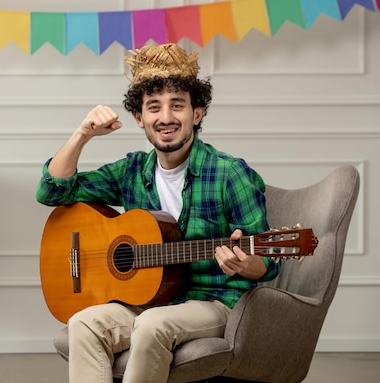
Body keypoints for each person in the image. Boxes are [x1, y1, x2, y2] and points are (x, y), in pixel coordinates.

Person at [35, 42, 281, 383]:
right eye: (154, 108)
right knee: (83, 324)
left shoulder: (229, 173)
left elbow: (267, 263)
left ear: (197, 114)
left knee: (152, 325)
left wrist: (247, 263)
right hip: (149, 298)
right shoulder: (131, 171)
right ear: (140, 118)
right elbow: (51, 191)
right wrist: (83, 134)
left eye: (177, 105)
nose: (165, 117)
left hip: (212, 300)